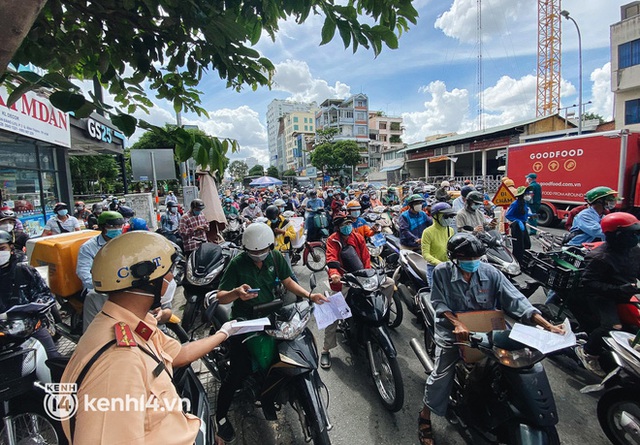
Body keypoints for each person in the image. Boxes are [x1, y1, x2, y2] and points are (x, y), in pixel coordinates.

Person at [61, 231, 235, 444]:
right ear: (150, 281)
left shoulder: (133, 324)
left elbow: (178, 354)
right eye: (168, 274)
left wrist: (224, 333)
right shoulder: (118, 362)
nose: (172, 280)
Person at [417, 233, 564, 445]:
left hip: (490, 331)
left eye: (475, 259)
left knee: (518, 364)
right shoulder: (442, 272)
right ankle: (425, 416)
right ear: (454, 259)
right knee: (441, 376)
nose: (472, 264)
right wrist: (457, 323)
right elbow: (439, 303)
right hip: (454, 333)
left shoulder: (490, 272)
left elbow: (516, 300)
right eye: (466, 261)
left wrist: (547, 325)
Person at [214, 223, 328, 442]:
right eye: (253, 253)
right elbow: (221, 297)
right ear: (246, 248)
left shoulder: (275, 257)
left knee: (291, 353)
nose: (259, 256)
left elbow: (288, 281)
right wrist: (236, 293)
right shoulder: (237, 264)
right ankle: (220, 417)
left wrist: (309, 296)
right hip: (245, 321)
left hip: (274, 317)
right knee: (237, 373)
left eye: (262, 251)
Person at [322, 213, 395, 369]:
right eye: (344, 225)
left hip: (363, 277)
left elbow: (366, 257)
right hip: (344, 279)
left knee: (389, 283)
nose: (348, 227)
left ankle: (384, 316)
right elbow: (330, 258)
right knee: (331, 311)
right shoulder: (332, 240)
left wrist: (368, 275)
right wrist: (335, 275)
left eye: (349, 224)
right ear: (338, 227)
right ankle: (326, 350)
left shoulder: (358, 237)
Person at [571, 212, 640, 377]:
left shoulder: (634, 250)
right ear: (617, 235)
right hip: (602, 296)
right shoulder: (599, 257)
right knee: (612, 326)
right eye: (633, 233)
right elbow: (589, 283)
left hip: (626, 292)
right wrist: (618, 290)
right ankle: (588, 352)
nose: (636, 237)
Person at [0, 230, 60, 359]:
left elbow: (45, 295)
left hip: (30, 328)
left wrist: (36, 305)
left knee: (53, 358)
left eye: (1, 248)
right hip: (2, 334)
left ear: (11, 248)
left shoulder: (25, 270)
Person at [76, 211, 125, 332]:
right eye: (113, 227)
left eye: (120, 226)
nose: (117, 229)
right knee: (94, 296)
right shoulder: (88, 247)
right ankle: (91, 339)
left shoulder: (125, 242)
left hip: (123, 284)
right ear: (103, 227)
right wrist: (101, 286)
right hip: (100, 288)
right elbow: (83, 271)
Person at [421, 203, 456, 287]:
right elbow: (426, 254)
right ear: (436, 216)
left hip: (449, 267)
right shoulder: (428, 232)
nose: (449, 219)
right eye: (446, 216)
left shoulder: (450, 230)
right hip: (434, 269)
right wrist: (439, 263)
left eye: (451, 216)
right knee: (436, 297)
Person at [505, 186, 533, 264]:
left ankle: (524, 261)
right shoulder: (515, 204)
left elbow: (525, 213)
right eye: (526, 193)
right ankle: (517, 263)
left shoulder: (524, 203)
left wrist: (530, 215)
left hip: (523, 225)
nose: (528, 195)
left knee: (527, 244)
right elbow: (508, 215)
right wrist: (517, 221)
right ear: (522, 195)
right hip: (517, 226)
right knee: (518, 247)